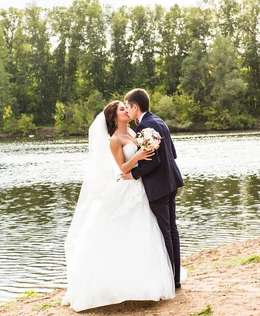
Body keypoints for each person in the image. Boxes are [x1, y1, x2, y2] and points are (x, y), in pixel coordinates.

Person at [62, 100, 179, 312]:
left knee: (144, 233)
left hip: (141, 188)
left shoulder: (136, 133)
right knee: (122, 231)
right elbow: (122, 167)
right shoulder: (114, 140)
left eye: (126, 107)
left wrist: (144, 153)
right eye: (122, 109)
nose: (126, 110)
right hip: (127, 188)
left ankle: (146, 283)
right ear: (115, 117)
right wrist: (138, 155)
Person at [121, 88, 185, 288]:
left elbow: (153, 161)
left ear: (135, 107)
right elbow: (172, 153)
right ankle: (175, 277)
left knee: (165, 230)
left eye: (128, 107)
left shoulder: (144, 127)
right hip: (172, 181)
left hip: (158, 186)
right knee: (172, 230)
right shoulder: (159, 121)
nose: (128, 112)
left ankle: (170, 278)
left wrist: (132, 174)